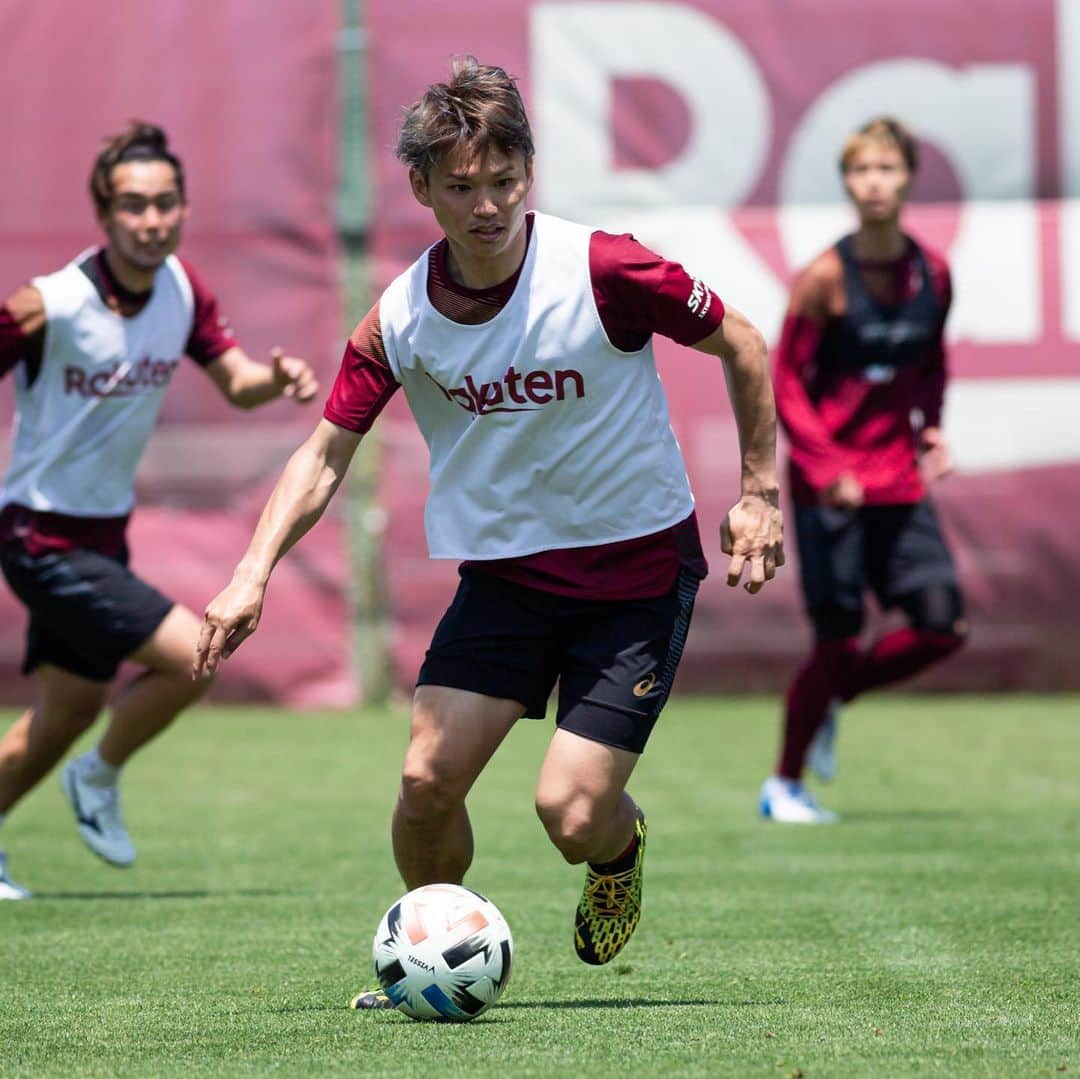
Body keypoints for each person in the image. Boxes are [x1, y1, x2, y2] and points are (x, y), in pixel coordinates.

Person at [194, 58, 783, 1005]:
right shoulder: (401, 319)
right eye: (461, 187)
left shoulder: (604, 268)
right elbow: (322, 454)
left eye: (503, 182)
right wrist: (251, 572)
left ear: (529, 174)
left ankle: (620, 848)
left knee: (570, 811)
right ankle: (432, 956)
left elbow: (743, 341)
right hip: (508, 579)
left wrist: (759, 490)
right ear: (421, 187)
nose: (486, 207)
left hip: (634, 575)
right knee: (426, 779)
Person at [0, 122, 318, 898]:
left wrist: (275, 379)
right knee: (196, 652)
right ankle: (101, 775)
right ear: (104, 216)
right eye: (133, 206)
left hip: (101, 541)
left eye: (165, 203)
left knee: (71, 707)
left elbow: (236, 381)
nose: (152, 220)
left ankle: (86, 761)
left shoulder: (181, 289)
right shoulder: (51, 303)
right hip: (39, 534)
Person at [759, 117, 967, 825]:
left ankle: (832, 699)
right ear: (847, 183)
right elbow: (785, 382)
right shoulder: (823, 277)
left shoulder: (931, 272)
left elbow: (931, 362)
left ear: (909, 177)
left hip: (899, 478)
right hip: (832, 487)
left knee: (942, 624)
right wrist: (826, 464)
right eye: (860, 171)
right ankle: (783, 785)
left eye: (886, 169)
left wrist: (932, 426)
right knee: (839, 637)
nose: (874, 183)